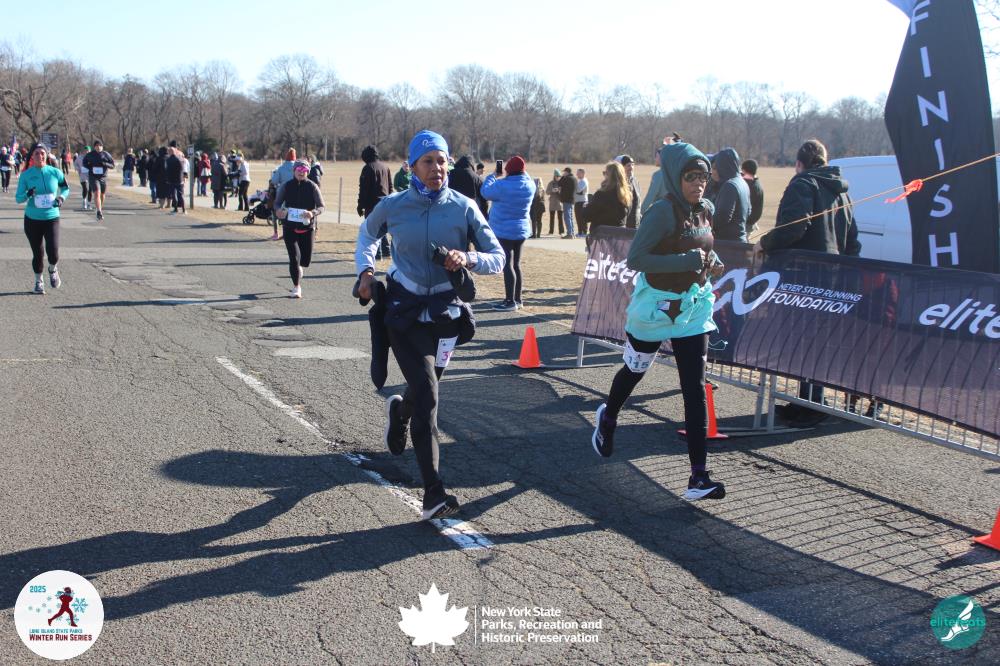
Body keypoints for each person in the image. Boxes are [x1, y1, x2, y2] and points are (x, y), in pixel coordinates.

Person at [355, 130, 505, 521]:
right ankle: (433, 493)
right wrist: (366, 271)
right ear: (411, 166)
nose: (437, 168)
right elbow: (367, 235)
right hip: (403, 312)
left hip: (445, 316)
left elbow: (498, 257)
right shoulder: (392, 205)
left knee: (424, 390)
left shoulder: (464, 207)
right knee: (429, 394)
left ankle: (400, 412)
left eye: (442, 160)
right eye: (428, 161)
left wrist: (468, 259)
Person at [591, 140, 727, 501]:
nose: (698, 183)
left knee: (694, 389)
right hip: (655, 307)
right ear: (674, 177)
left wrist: (712, 263)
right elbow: (636, 259)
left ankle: (698, 477)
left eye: (703, 176)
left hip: (693, 309)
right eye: (690, 176)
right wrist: (686, 261)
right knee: (635, 371)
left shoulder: (705, 209)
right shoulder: (662, 212)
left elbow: (705, 248)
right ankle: (608, 416)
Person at [755, 138, 861, 426]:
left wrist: (766, 242)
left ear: (799, 164)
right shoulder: (841, 193)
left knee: (805, 341)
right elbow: (853, 241)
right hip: (832, 277)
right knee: (811, 342)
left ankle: (814, 404)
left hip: (805, 276)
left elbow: (794, 228)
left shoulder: (803, 184)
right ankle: (806, 399)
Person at [481, 155, 535, 311]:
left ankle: (510, 301)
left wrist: (493, 175)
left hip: (504, 230)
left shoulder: (502, 185)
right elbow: (524, 175)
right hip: (521, 230)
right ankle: (518, 299)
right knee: (516, 265)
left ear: (508, 170)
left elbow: (485, 192)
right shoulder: (530, 184)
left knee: (507, 265)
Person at [15, 143, 70, 294]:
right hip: (32, 219)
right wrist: (27, 194)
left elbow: (65, 188)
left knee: (53, 252)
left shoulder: (55, 172)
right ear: (32, 156)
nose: (40, 156)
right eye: (37, 153)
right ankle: (39, 281)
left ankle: (53, 269)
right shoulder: (26, 175)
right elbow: (18, 198)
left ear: (47, 155)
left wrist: (61, 198)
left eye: (42, 153)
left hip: (52, 218)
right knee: (38, 254)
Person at [275, 159, 325, 298]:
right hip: (289, 227)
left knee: (305, 260)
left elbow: (321, 206)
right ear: (294, 171)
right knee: (294, 258)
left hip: (307, 228)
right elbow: (277, 203)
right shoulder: (286, 186)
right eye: (299, 170)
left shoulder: (312, 186)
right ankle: (296, 287)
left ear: (308, 172)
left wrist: (312, 213)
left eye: (304, 171)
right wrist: (279, 211)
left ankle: (300, 267)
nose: (301, 173)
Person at [357, 144, 393, 257]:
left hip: (372, 204)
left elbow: (364, 189)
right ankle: (386, 250)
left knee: (372, 230)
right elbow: (390, 186)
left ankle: (378, 253)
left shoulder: (368, 168)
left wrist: (360, 205)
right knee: (382, 227)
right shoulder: (385, 167)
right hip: (385, 202)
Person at [709, 147, 750, 242]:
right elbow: (749, 211)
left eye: (716, 167)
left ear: (722, 166)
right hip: (739, 240)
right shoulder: (742, 182)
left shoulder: (730, 185)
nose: (713, 171)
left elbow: (721, 218)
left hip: (728, 243)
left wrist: (701, 224)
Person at [583, 162, 631, 239]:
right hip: (618, 239)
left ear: (609, 176)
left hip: (600, 240)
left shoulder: (601, 194)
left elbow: (586, 216)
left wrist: (585, 207)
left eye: (605, 173)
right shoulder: (626, 195)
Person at [82, 140, 114, 221]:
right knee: (97, 193)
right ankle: (99, 211)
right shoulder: (90, 155)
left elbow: (112, 165)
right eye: (97, 145)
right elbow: (84, 163)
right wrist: (90, 167)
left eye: (100, 145)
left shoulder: (106, 154)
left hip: (103, 177)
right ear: (94, 147)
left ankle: (99, 208)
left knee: (102, 195)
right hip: (93, 177)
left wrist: (105, 164)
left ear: (102, 147)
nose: (98, 147)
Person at [269, 148, 297, 240]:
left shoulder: (281, 168)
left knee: (276, 212)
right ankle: (290, 233)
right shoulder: (297, 168)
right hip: (295, 194)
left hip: (282, 193)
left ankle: (276, 233)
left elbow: (274, 181)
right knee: (291, 213)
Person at [615, 155, 642, 229]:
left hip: (636, 224)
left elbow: (638, 204)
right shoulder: (617, 183)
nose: (631, 168)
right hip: (623, 226)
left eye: (632, 165)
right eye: (628, 165)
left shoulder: (635, 181)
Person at [742, 159, 764, 234]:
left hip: (747, 223)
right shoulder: (755, 183)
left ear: (744, 170)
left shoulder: (750, 186)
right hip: (750, 221)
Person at [165, 143, 186, 214]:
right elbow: (182, 169)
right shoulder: (179, 159)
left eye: (168, 152)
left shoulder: (168, 160)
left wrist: (167, 178)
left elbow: (167, 170)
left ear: (170, 152)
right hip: (179, 179)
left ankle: (176, 208)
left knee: (174, 195)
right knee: (181, 195)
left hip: (171, 180)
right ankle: (184, 209)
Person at [557, 167, 577, 238]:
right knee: (570, 217)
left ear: (567, 172)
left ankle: (569, 233)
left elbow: (559, 183)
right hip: (572, 200)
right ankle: (572, 233)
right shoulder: (574, 178)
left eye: (564, 172)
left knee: (567, 217)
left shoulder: (566, 178)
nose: (563, 173)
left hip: (566, 200)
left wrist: (563, 177)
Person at [545, 170, 563, 235]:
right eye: (557, 176)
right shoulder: (551, 183)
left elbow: (565, 192)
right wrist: (552, 190)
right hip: (552, 203)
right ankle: (551, 231)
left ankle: (561, 231)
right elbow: (547, 192)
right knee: (552, 218)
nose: (558, 177)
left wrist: (559, 191)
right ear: (554, 176)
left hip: (560, 203)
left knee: (560, 218)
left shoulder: (562, 183)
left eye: (559, 176)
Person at [574, 168, 589, 237]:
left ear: (583, 173)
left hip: (582, 202)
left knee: (582, 218)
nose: (577, 174)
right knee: (578, 218)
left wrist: (573, 187)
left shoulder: (583, 181)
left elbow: (578, 190)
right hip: (578, 201)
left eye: (578, 173)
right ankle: (580, 232)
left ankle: (584, 232)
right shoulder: (580, 181)